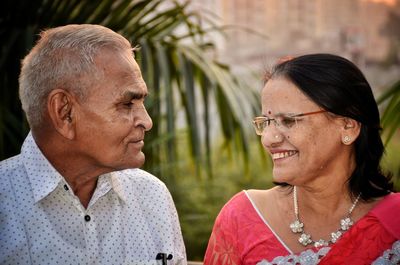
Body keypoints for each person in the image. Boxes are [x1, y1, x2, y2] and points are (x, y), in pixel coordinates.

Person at [0, 24, 186, 265]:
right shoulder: (5, 202)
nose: (147, 122)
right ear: (64, 112)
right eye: (127, 104)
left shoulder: (152, 195)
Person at [204, 54, 399, 265]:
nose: (268, 139)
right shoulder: (242, 218)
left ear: (347, 127)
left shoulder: (394, 221)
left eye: (288, 120)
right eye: (265, 122)